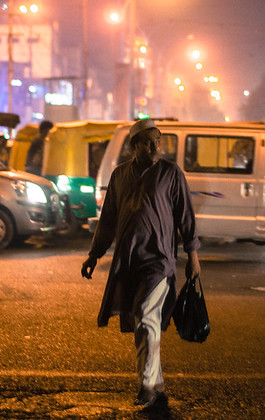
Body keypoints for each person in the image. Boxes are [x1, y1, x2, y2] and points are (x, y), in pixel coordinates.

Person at [81, 118, 201, 408]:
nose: (156, 146)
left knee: (147, 316)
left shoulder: (171, 174)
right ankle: (156, 384)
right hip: (128, 260)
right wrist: (94, 254)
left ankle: (146, 386)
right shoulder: (120, 175)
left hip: (159, 261)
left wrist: (193, 257)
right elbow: (108, 219)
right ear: (135, 146)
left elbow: (186, 217)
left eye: (158, 141)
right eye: (149, 141)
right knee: (142, 322)